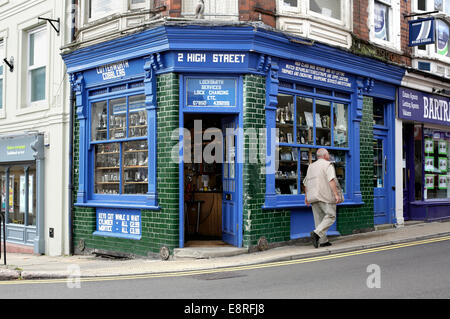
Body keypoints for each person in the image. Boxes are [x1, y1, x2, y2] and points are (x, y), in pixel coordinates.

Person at [303, 148, 343, 248]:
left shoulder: (311, 166)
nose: (329, 156)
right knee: (331, 216)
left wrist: (306, 197)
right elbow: (331, 180)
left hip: (313, 196)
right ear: (325, 155)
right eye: (328, 154)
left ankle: (323, 241)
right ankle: (316, 233)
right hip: (325, 195)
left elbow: (306, 183)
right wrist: (336, 194)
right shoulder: (327, 164)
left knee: (319, 219)